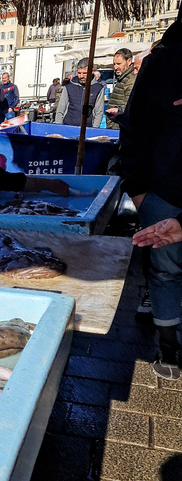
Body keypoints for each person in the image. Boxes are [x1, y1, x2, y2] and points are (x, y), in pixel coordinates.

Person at [118, 7, 182, 379]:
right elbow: (135, 126)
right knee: (165, 270)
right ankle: (169, 347)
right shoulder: (164, 64)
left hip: (160, 189)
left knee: (166, 272)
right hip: (165, 190)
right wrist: (138, 189)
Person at [55, 58, 105, 128]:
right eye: (79, 73)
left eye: (84, 73)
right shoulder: (69, 87)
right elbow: (61, 109)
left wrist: (94, 129)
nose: (81, 76)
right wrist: (59, 127)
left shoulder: (98, 88)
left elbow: (98, 112)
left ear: (92, 71)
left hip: (88, 128)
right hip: (68, 126)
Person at [105, 48, 136, 129]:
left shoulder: (130, 80)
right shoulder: (122, 78)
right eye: (114, 64)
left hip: (120, 127)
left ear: (129, 61)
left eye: (119, 64)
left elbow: (128, 107)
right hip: (115, 125)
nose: (115, 67)